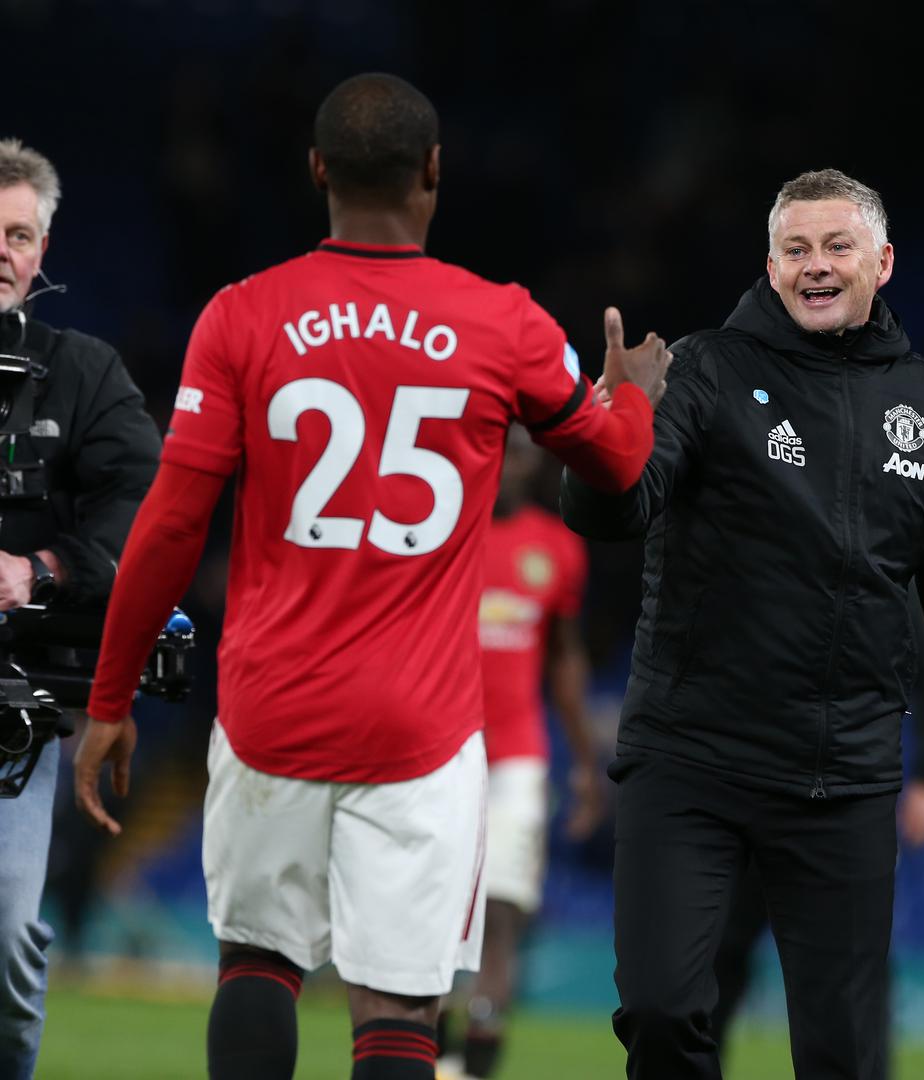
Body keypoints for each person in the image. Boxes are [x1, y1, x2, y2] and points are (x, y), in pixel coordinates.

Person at [73, 73, 670, 1080]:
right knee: (399, 1005)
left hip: (270, 709)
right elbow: (616, 465)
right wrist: (633, 397)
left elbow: (172, 524)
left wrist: (110, 695)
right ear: (434, 172)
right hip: (423, 730)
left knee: (256, 962)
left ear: (316, 172)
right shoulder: (505, 323)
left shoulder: (240, 317)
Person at [560, 168, 924, 1080]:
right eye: (795, 250)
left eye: (835, 247)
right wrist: (606, 429)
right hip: (689, 763)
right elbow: (614, 513)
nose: (814, 266)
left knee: (845, 1055)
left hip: (839, 778)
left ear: (881, 262)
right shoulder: (704, 369)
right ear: (769, 268)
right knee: (661, 1013)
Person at [0, 138, 161, 1080]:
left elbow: (149, 510)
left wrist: (42, 566)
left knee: (5, 945)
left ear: (43, 251)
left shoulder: (84, 373)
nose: (3, 253)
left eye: (18, 236)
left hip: (14, 712)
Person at [710, 586, 924, 1063]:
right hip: (749, 785)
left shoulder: (879, 557)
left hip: (844, 798)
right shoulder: (762, 547)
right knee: (720, 951)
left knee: (857, 965)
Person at [437, 425, 602, 1080]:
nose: (510, 469)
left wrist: (586, 761)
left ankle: (474, 1065)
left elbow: (563, 657)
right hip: (438, 750)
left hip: (516, 757)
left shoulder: (554, 547)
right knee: (437, 911)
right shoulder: (438, 533)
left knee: (502, 910)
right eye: (500, 455)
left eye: (522, 458)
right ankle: (436, 1049)